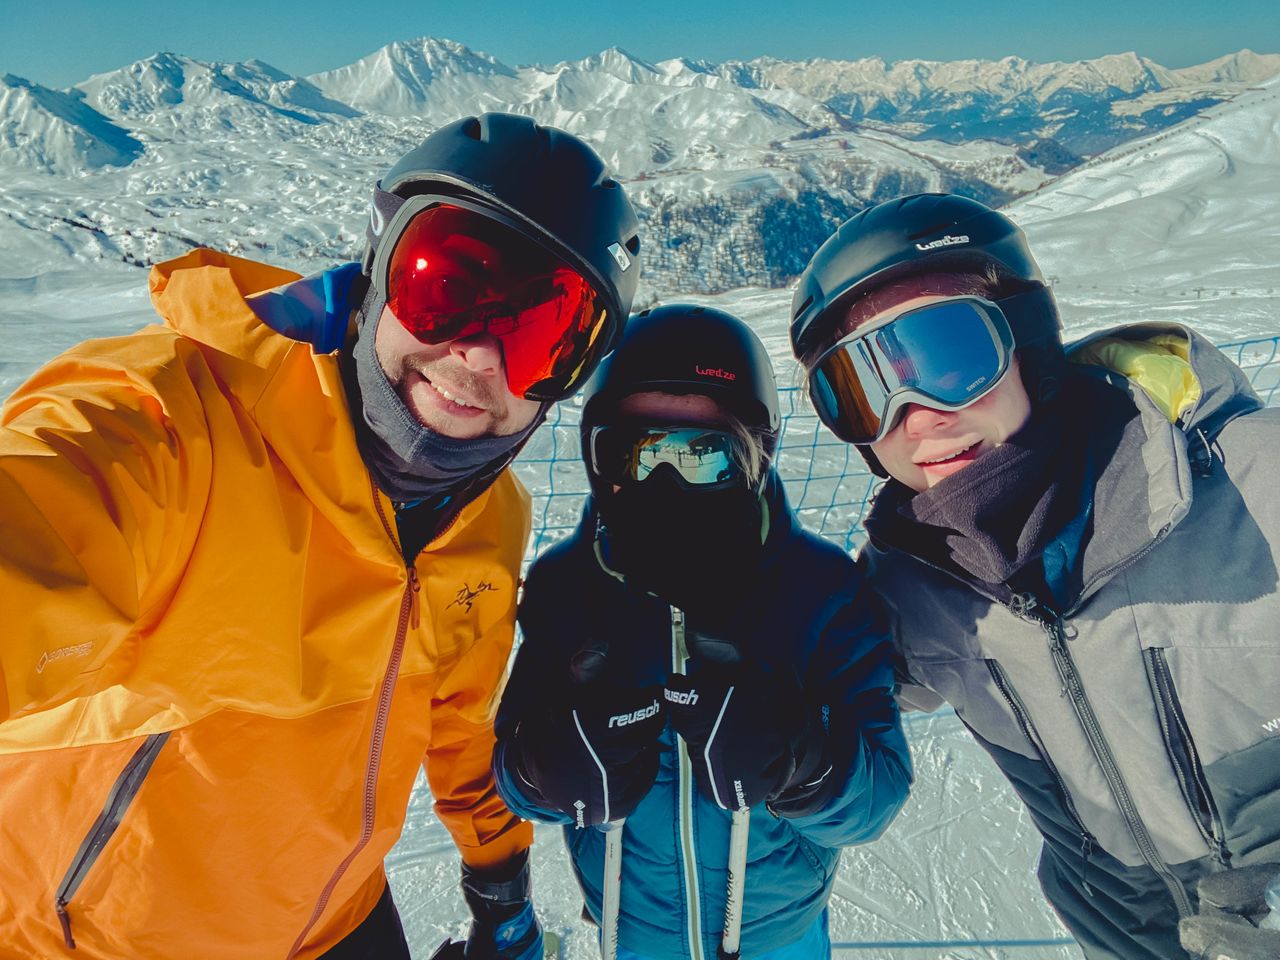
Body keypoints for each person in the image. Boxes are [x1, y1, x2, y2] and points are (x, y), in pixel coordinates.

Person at [0, 112, 639, 960]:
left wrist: (500, 878)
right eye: (445, 285)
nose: (481, 357)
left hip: (340, 923)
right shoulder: (176, 428)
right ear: (377, 266)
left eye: (543, 335)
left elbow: (458, 717)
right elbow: (40, 517)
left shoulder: (491, 518)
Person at [789, 192, 1280, 960]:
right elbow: (830, 685)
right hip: (1127, 936)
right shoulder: (914, 584)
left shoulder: (1256, 484)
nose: (916, 416)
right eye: (861, 389)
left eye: (947, 357)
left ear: (1028, 342)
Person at [492, 305, 912, 959]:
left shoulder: (823, 595)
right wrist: (542, 765)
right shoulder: (567, 590)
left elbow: (878, 795)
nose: (665, 485)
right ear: (600, 458)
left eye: (703, 456)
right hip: (634, 935)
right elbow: (514, 778)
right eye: (638, 453)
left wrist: (804, 759)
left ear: (755, 456)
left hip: (778, 934)